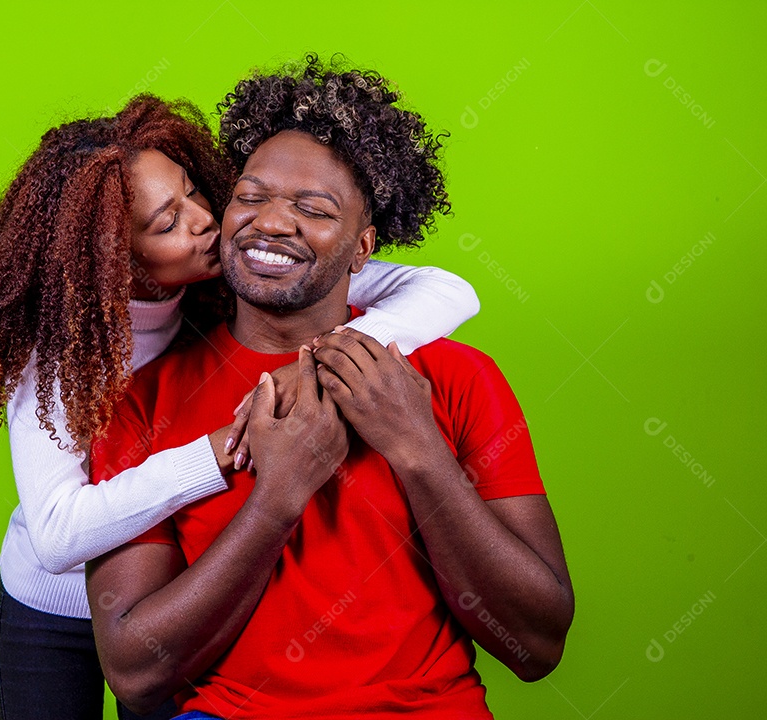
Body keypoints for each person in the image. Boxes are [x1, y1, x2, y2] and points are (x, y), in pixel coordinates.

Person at [0, 93, 482, 719]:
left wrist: (327, 360)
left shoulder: (237, 273)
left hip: (165, 592)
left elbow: (446, 289)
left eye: (195, 192)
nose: (202, 220)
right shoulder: (59, 352)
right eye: (165, 223)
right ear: (112, 258)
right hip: (56, 606)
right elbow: (60, 534)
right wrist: (227, 448)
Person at [87, 57, 574, 719]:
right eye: (250, 197)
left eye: (313, 210)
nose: (272, 222)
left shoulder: (458, 378)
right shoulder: (140, 402)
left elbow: (537, 645)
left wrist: (417, 449)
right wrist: (278, 495)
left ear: (362, 248)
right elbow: (135, 673)